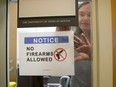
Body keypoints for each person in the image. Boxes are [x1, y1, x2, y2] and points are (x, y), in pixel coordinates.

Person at [70, 1, 92, 87]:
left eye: (90, 15)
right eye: (81, 14)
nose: (85, 18)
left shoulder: (108, 41)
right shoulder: (72, 39)